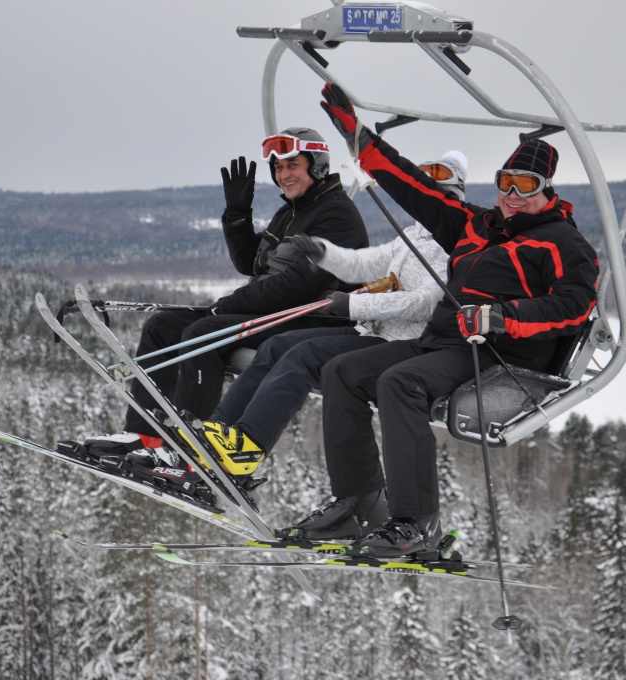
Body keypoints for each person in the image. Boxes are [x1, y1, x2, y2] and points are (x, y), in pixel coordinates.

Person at [281, 83, 599, 557]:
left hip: (499, 355)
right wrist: (358, 139)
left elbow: (575, 306)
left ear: (547, 191)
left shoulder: (563, 243)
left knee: (400, 382)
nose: (512, 195)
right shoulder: (474, 226)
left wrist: (500, 317)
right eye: (505, 181)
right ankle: (360, 504)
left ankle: (414, 523)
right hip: (445, 343)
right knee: (341, 372)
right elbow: (413, 187)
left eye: (526, 186)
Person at [196, 151, 467, 539]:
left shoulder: (451, 240)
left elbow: (427, 301)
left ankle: (247, 446)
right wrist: (324, 253)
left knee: (305, 356)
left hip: (403, 340)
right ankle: (221, 432)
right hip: (375, 329)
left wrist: (353, 303)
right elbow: (367, 263)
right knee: (280, 345)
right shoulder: (415, 234)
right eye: (420, 180)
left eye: (435, 180)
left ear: (452, 189)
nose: (424, 188)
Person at [78, 127, 369, 477]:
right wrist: (237, 215)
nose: (283, 175)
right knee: (163, 326)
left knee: (204, 333)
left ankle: (192, 447)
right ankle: (146, 435)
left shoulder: (336, 215)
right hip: (279, 311)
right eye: (278, 168)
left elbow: (298, 285)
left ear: (317, 165)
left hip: (315, 319)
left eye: (292, 165)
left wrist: (228, 305)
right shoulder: (294, 211)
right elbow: (252, 263)